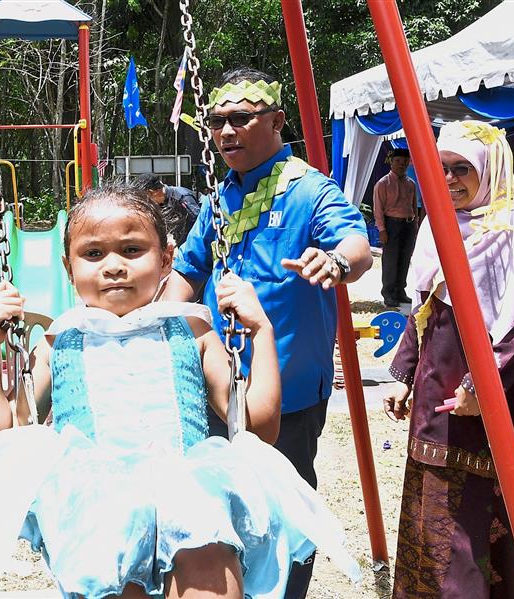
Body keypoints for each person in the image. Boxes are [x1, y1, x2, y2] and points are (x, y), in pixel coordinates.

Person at [0, 183, 359, 599]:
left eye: (132, 250)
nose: (113, 266)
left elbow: (259, 427)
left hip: (190, 497)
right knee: (113, 569)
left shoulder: (191, 331)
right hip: (99, 510)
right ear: (68, 267)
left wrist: (261, 330)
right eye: (93, 254)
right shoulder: (58, 342)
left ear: (166, 259)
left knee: (210, 563)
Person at [162, 67, 371, 599]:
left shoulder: (310, 190)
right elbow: (188, 272)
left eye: (240, 118)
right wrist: (152, 329)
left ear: (277, 121)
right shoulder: (218, 198)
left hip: (289, 392)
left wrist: (336, 263)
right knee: (220, 504)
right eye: (217, 122)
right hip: (217, 385)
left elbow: (356, 246)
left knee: (284, 508)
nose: (226, 132)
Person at [383, 121, 514, 599]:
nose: (449, 180)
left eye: (462, 169)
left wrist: (481, 388)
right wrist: (403, 374)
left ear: (491, 169)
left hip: (492, 394)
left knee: (477, 518)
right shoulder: (437, 223)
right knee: (430, 510)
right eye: (441, 169)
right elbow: (424, 309)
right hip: (435, 388)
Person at [373, 148, 419, 307]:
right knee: (390, 260)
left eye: (405, 162)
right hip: (391, 225)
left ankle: (400, 291)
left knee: (405, 259)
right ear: (391, 162)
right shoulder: (383, 184)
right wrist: (382, 230)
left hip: (408, 225)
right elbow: (378, 209)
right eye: (398, 161)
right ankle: (388, 293)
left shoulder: (411, 184)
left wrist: (415, 226)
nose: (401, 165)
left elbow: (414, 206)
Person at [134, 173, 202, 246]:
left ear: (152, 192)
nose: (147, 202)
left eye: (146, 198)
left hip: (196, 243)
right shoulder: (159, 203)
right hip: (181, 243)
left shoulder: (181, 197)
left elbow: (200, 224)